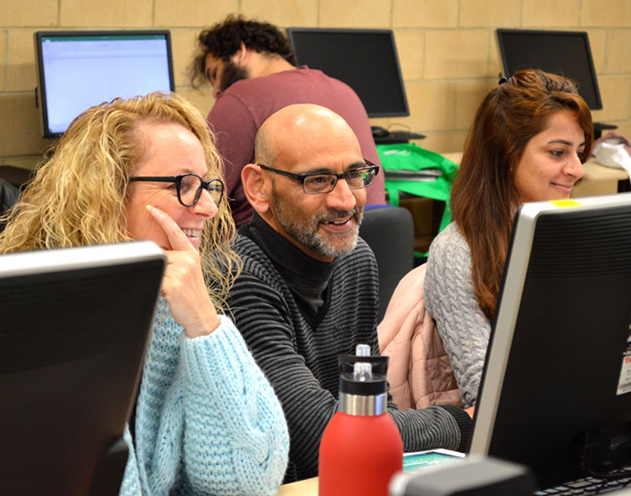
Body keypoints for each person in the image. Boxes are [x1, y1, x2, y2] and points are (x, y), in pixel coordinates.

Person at [0, 92, 289, 495]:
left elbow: (250, 480)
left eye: (207, 186)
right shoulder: (37, 325)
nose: (207, 207)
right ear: (108, 192)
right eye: (184, 185)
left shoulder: (172, 311)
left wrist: (205, 325)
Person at [227, 103, 472, 483]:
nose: (345, 201)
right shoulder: (238, 277)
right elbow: (319, 438)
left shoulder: (355, 258)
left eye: (355, 175)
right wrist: (462, 421)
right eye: (318, 180)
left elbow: (374, 406)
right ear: (258, 187)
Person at [424, 69, 594, 408]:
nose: (577, 169)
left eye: (579, 151)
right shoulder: (458, 250)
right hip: (521, 431)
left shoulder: (576, 232)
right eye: (558, 152)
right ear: (506, 152)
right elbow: (484, 391)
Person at [190, 14, 386, 227]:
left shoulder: (239, 97)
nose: (216, 91)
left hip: (277, 251)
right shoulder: (344, 89)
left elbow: (202, 194)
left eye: (215, 73)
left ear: (240, 52)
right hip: (363, 239)